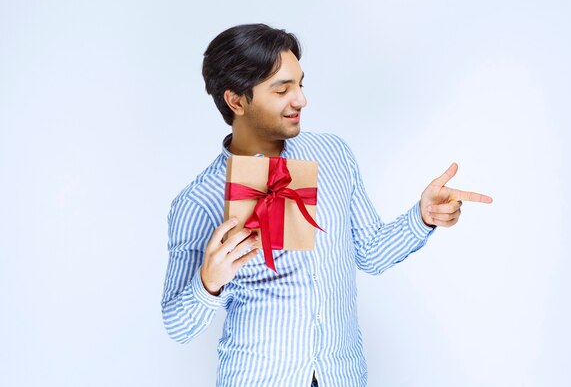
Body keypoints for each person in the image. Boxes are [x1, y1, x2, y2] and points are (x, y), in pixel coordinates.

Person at [160, 23, 493, 387]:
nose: (301, 100)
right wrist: (208, 283)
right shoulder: (197, 201)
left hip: (342, 377)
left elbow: (369, 253)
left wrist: (422, 217)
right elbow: (177, 325)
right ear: (236, 101)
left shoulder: (333, 156)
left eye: (300, 84)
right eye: (282, 89)